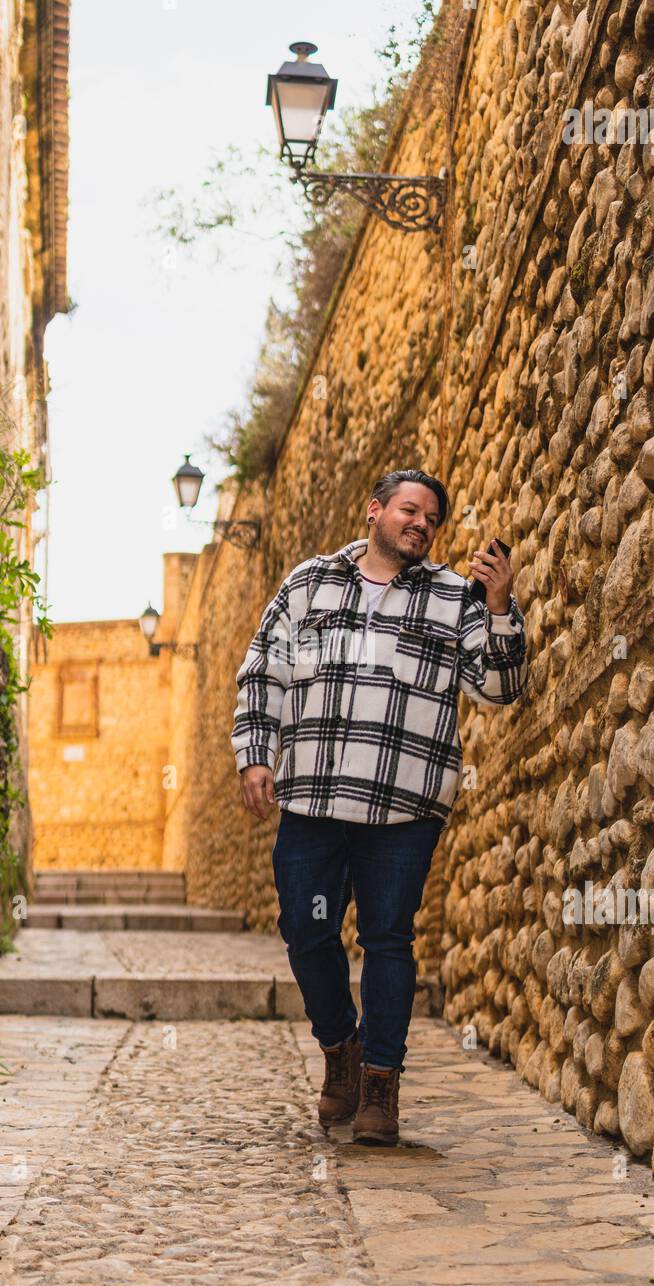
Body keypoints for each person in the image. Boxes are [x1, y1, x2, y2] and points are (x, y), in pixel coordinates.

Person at [230, 469, 527, 1144]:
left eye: (431, 518)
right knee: (307, 932)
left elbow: (500, 690)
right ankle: (341, 1048)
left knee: (388, 939)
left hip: (406, 805)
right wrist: (254, 754)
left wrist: (502, 607)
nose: (420, 523)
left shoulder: (457, 598)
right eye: (408, 510)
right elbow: (263, 671)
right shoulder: (310, 583)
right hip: (314, 799)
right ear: (375, 512)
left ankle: (380, 1088)